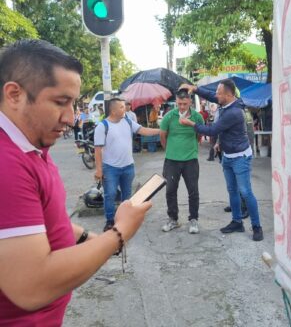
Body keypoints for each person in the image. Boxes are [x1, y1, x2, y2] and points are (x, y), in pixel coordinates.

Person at [0, 39, 152, 326]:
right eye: (60, 102)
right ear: (14, 95)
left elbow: (43, 220)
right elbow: (31, 286)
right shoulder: (6, 164)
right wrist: (118, 234)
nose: (71, 118)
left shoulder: (30, 146)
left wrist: (85, 239)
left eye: (73, 103)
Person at [179, 79, 264, 241]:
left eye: (219, 93)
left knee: (245, 192)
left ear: (229, 95)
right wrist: (194, 88)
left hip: (240, 157)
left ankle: (256, 226)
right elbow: (211, 95)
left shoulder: (234, 112)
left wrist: (191, 124)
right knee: (232, 191)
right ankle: (237, 222)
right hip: (228, 155)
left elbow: (212, 130)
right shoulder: (227, 103)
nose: (216, 95)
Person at [94, 98, 160, 232]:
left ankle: (125, 219)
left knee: (127, 195)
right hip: (110, 168)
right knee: (110, 195)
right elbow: (97, 150)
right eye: (122, 107)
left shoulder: (128, 121)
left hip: (128, 166)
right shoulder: (102, 126)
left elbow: (143, 130)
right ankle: (110, 221)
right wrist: (99, 170)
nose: (125, 109)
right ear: (113, 110)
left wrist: (161, 131)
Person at [160, 90, 204, 234]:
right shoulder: (169, 116)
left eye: (185, 104)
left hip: (190, 160)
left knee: (194, 191)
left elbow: (199, 135)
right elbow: (163, 136)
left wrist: (191, 148)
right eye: (179, 103)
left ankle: (193, 219)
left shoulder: (197, 117)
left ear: (191, 102)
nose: (182, 107)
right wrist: (170, 150)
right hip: (172, 160)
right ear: (176, 102)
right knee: (170, 190)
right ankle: (173, 219)